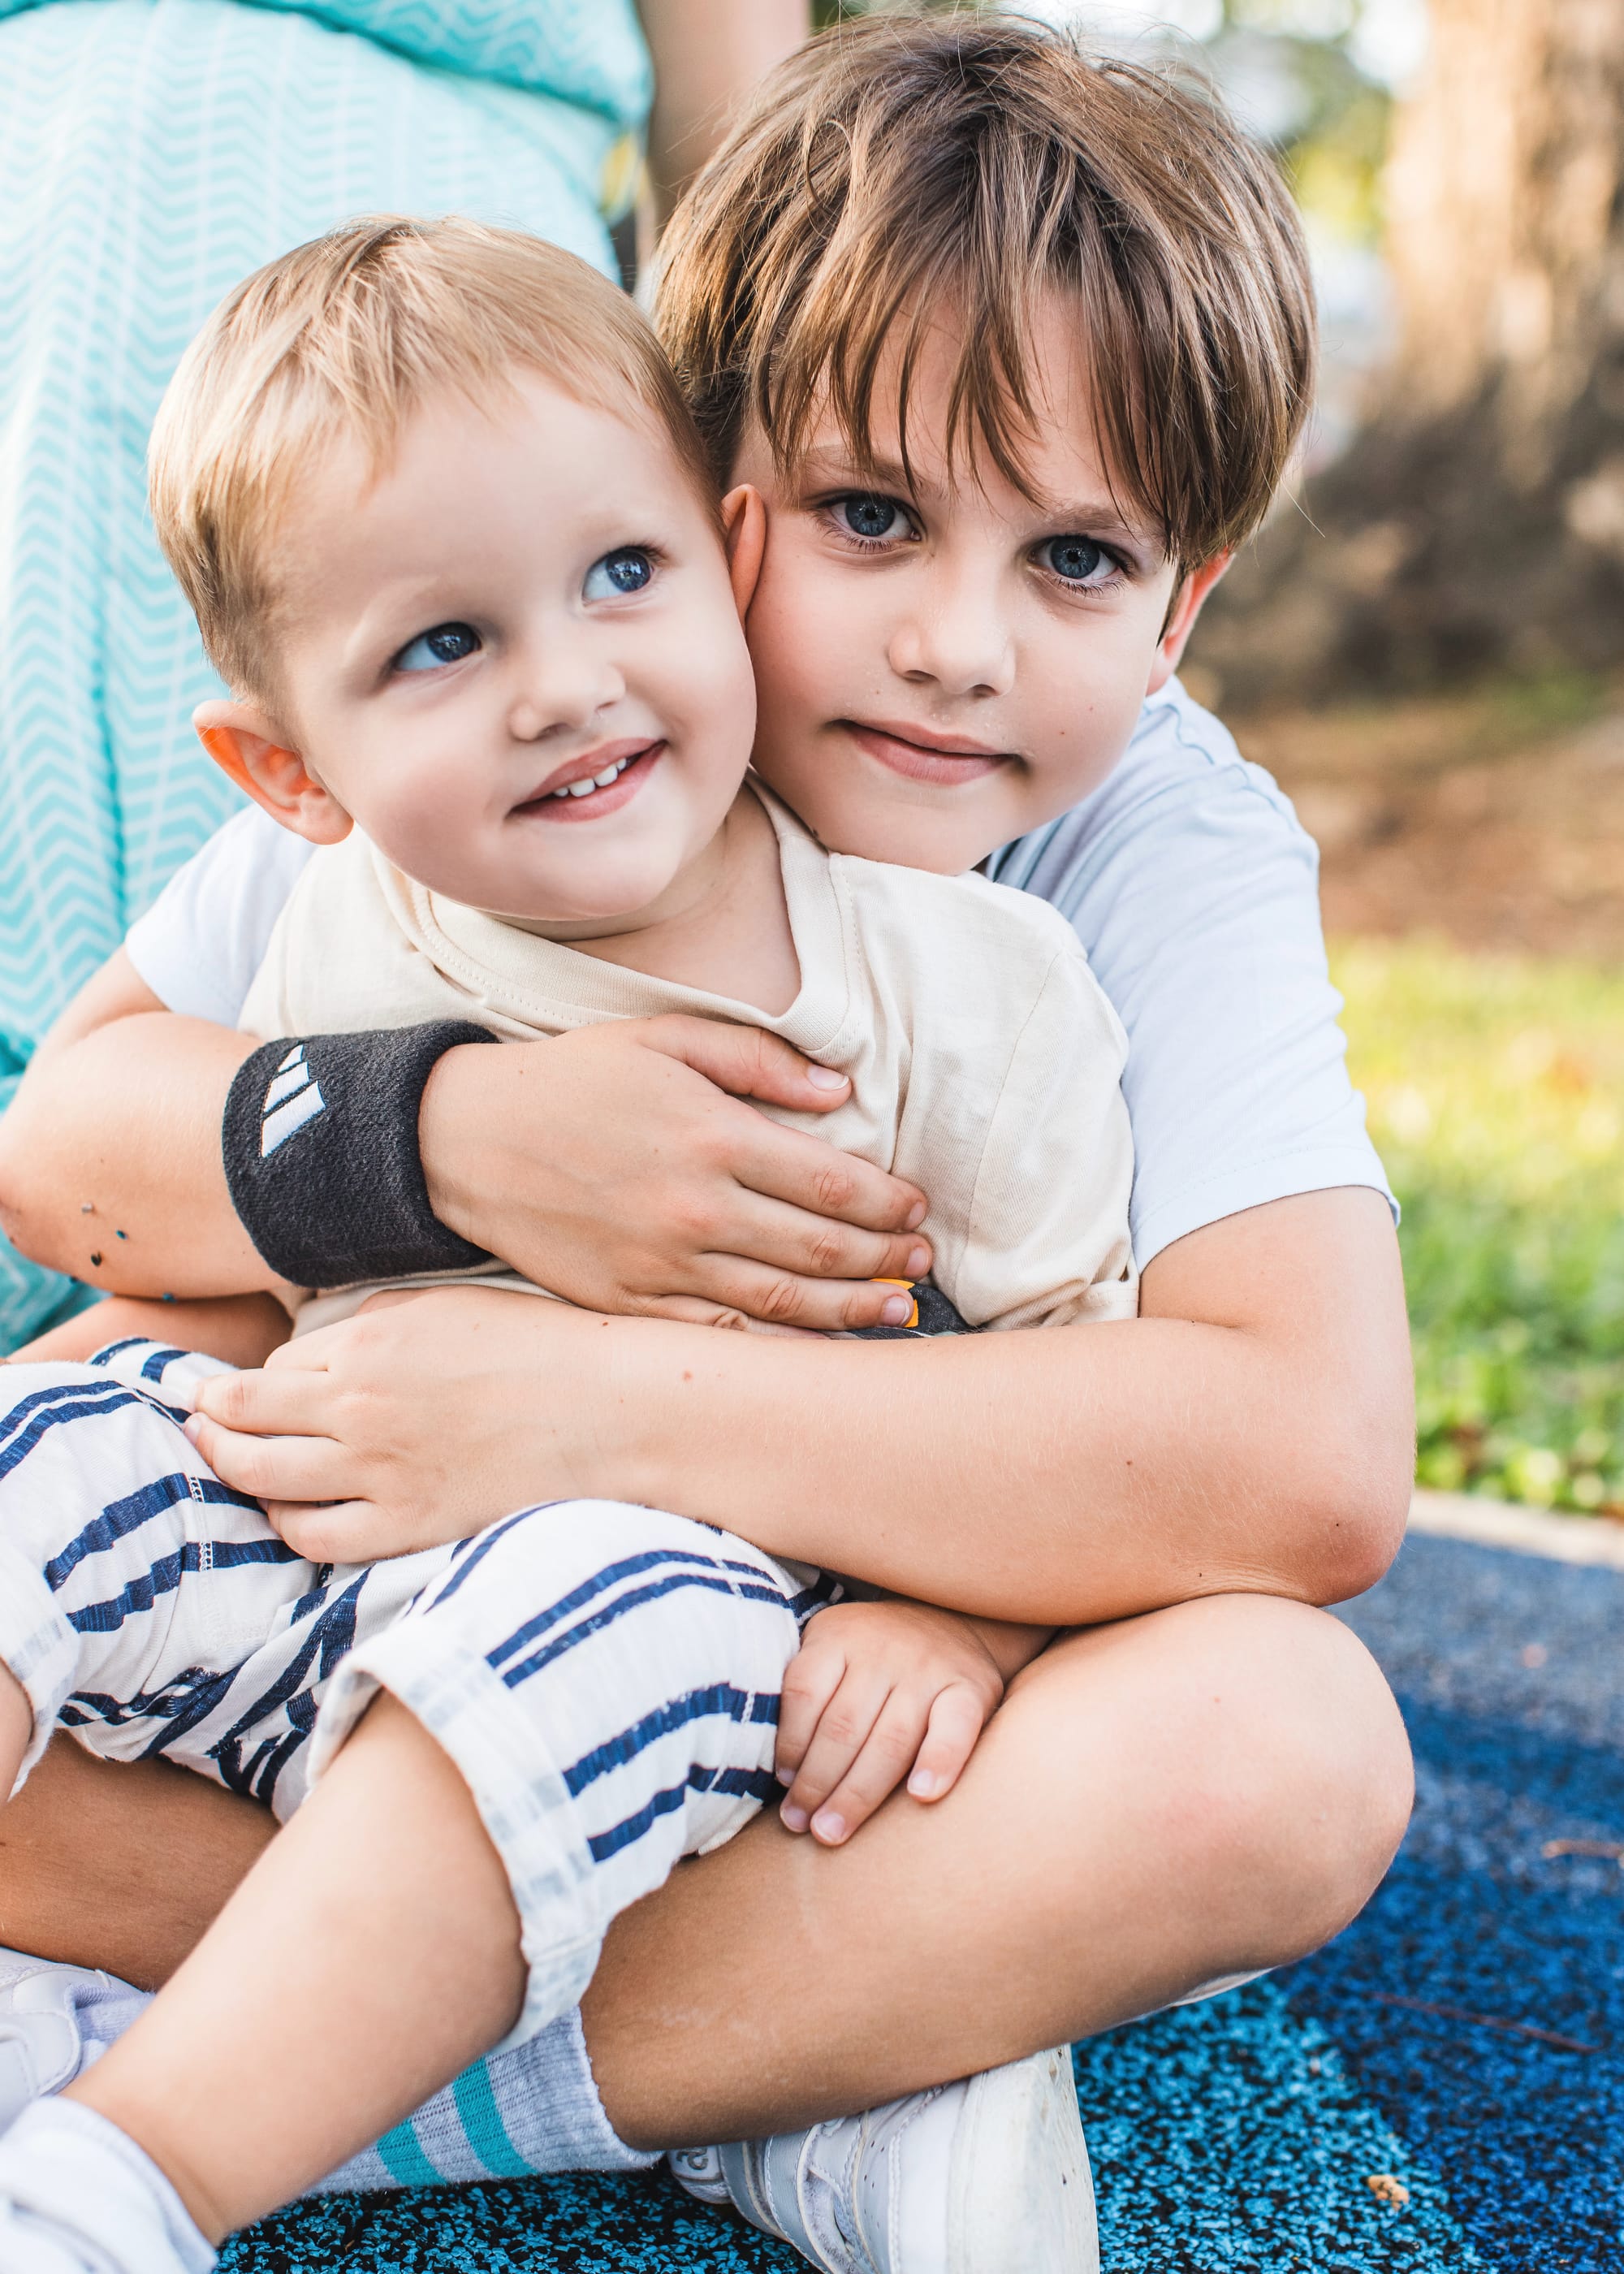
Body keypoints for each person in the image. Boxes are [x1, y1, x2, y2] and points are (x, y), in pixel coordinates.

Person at [0, 11, 1415, 2266]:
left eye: (1076, 565)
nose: (954, 645)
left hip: (778, 1677)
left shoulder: (1148, 841)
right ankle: (796, 2061)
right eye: (869, 517)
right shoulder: (542, 722)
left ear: (1182, 609)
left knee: (1283, 1749)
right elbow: (78, 1146)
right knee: (85, 1384)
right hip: (347, 1601)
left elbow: (1306, 1460)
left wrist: (607, 1407)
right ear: (697, 471)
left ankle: (287, 2082)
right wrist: (457, 1136)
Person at [0, 0, 810, 1354]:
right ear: (287, 773)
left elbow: (739, 129)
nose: (563, 689)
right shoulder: (350, 851)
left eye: (625, 572)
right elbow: (59, 1145)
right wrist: (436, 1132)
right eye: (451, 645)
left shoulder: (885, 931)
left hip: (461, 326)